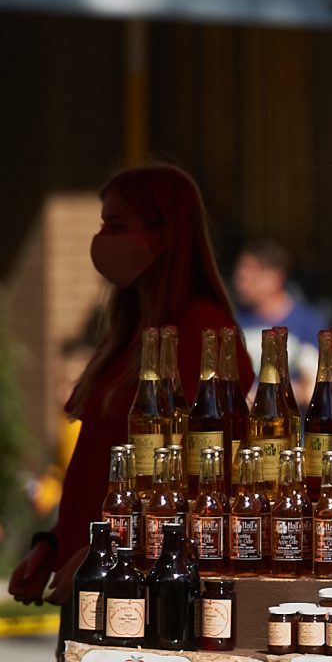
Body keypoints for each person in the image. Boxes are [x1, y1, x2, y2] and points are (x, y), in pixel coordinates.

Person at [10, 165, 253, 610]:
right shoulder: (129, 331)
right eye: (102, 223)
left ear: (163, 235)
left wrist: (114, 550)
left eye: (116, 225)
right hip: (92, 570)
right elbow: (96, 467)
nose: (102, 238)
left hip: (141, 585)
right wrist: (52, 545)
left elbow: (204, 485)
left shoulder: (204, 333)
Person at [231, 238, 329, 346]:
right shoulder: (233, 321)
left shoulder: (309, 324)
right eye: (239, 278)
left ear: (275, 278)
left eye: (251, 279)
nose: (240, 286)